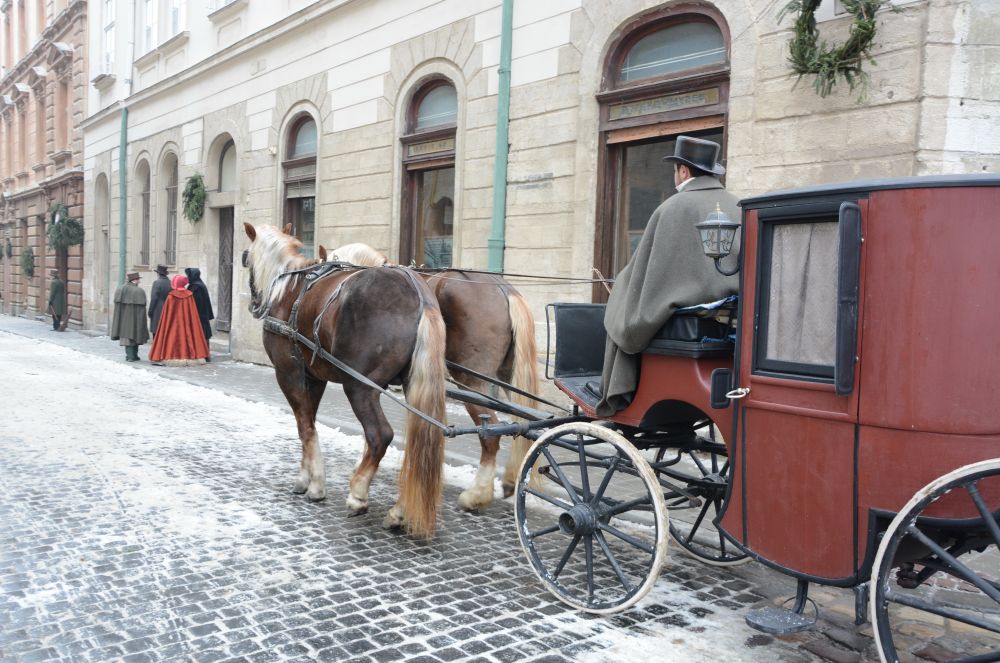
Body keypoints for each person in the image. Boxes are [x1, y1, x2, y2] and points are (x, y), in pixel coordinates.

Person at [596, 135, 740, 416]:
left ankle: (617, 392)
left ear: (683, 170)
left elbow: (646, 272)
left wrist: (624, 288)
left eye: (675, 169)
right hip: (729, 321)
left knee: (620, 312)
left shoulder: (672, 208)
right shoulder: (737, 205)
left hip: (687, 318)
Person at [148, 274, 210, 366]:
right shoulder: (189, 295)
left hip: (173, 324)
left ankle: (170, 355)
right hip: (187, 324)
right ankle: (190, 355)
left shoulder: (171, 296)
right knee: (188, 336)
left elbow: (167, 314)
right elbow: (192, 313)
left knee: (171, 338)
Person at [110, 272, 150, 362]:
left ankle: (130, 356)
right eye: (138, 279)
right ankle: (133, 356)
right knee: (135, 336)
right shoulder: (139, 291)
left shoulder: (120, 289)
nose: (139, 281)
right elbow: (142, 308)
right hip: (135, 319)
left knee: (127, 336)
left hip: (123, 319)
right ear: (135, 280)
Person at [184, 267, 214, 361]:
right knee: (204, 335)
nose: (187, 277)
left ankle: (203, 355)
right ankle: (205, 355)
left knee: (201, 335)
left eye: (188, 275)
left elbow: (196, 303)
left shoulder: (196, 287)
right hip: (202, 316)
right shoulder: (199, 284)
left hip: (199, 316)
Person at [148, 264, 171, 337]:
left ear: (158, 273)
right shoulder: (170, 282)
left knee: (157, 334)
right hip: (168, 310)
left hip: (157, 311)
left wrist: (150, 311)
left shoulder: (157, 283)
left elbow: (154, 298)